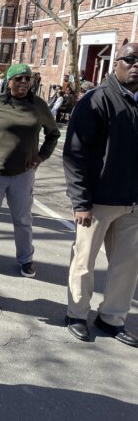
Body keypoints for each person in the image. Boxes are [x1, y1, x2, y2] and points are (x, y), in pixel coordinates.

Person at [62, 43, 138, 347]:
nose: (136, 65)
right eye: (130, 59)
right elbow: (75, 154)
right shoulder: (97, 99)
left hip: (132, 202)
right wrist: (80, 201)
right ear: (115, 64)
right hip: (97, 202)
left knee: (127, 265)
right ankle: (76, 314)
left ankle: (111, 318)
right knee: (84, 261)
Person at [0, 64, 60, 277]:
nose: (23, 82)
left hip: (23, 175)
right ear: (8, 81)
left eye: (27, 79)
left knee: (23, 219)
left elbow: (53, 134)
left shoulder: (39, 106)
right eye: (18, 78)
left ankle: (26, 259)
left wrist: (41, 156)